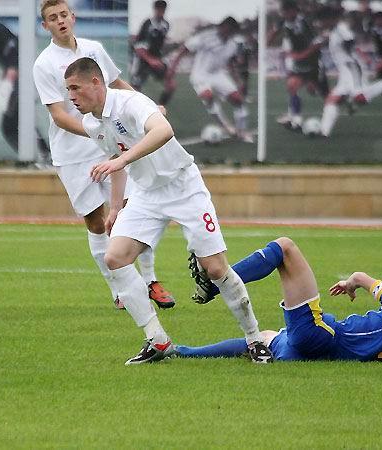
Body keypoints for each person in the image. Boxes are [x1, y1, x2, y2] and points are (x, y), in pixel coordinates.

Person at [64, 57, 273, 364]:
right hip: (146, 194)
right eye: (68, 89)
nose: (71, 96)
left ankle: (255, 339)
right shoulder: (92, 123)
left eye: (75, 88)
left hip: (183, 186)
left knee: (215, 269)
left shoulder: (130, 103)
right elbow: (116, 159)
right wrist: (116, 207)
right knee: (115, 258)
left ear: (96, 83)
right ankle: (157, 340)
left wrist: (121, 161)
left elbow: (163, 130)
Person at [32, 0, 174, 311]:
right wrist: (97, 132)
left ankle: (151, 281)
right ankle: (119, 290)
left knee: (134, 209)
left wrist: (148, 108)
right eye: (53, 18)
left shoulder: (94, 49)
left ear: (73, 17)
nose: (60, 21)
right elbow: (59, 116)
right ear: (45, 26)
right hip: (73, 153)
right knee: (97, 223)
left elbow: (118, 84)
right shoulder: (44, 64)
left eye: (64, 15)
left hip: (113, 145)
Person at [178, 237, 382, 362]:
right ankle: (181, 352)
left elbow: (361, 277)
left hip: (322, 335)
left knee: (285, 248)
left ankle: (215, 285)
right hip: (316, 354)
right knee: (262, 338)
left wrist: (350, 283)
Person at [0, 0, 49, 161]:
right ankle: (44, 157)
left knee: (9, 127)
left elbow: (14, 61)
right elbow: (8, 64)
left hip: (24, 81)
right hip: (23, 80)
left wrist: (5, 90)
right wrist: (3, 83)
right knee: (23, 121)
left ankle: (36, 158)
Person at [166, 17, 254, 143]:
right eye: (224, 27)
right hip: (200, 74)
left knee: (238, 99)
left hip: (218, 74)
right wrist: (172, 68)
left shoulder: (232, 44)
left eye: (230, 30)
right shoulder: (206, 36)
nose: (225, 31)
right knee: (208, 96)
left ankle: (242, 132)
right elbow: (184, 49)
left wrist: (238, 81)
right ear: (222, 26)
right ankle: (226, 126)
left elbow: (230, 63)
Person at [317, 6, 382, 138]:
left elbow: (350, 42)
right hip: (344, 70)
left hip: (352, 67)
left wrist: (358, 55)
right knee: (332, 99)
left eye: (322, 20)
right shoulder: (334, 30)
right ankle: (323, 132)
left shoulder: (340, 28)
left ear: (329, 19)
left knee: (360, 98)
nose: (320, 23)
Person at [267, 0, 329, 131]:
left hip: (314, 63)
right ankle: (296, 120)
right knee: (292, 86)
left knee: (325, 95)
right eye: (284, 12)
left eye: (289, 11)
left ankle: (329, 119)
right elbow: (271, 35)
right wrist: (267, 41)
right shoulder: (283, 22)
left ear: (295, 10)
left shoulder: (305, 22)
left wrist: (301, 55)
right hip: (299, 65)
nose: (286, 14)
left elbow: (318, 43)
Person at [129, 0, 175, 106]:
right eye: (159, 9)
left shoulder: (166, 25)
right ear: (155, 9)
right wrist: (150, 60)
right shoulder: (147, 24)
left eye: (163, 10)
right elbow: (138, 46)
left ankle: (161, 108)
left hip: (156, 58)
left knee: (171, 84)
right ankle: (133, 109)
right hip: (142, 59)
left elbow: (162, 45)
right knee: (134, 88)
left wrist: (163, 61)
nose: (160, 12)